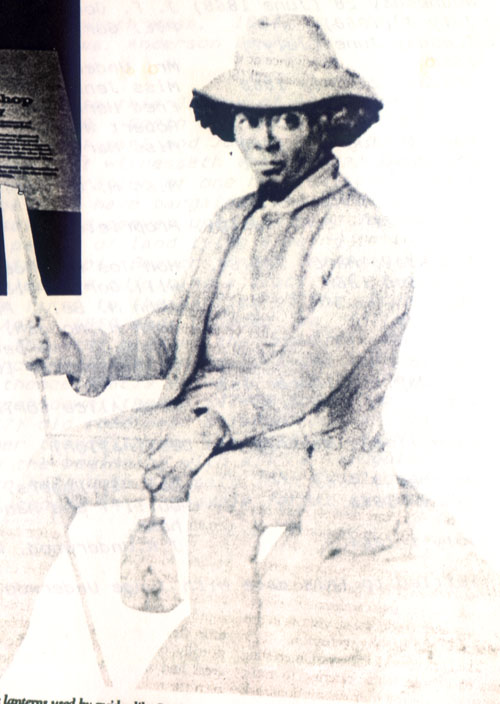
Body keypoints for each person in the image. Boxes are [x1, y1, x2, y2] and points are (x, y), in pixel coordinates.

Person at [1, 15, 413, 694]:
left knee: (222, 489)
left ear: (327, 121)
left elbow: (304, 369)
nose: (264, 139)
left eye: (287, 119)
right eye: (250, 119)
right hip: (199, 426)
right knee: (54, 466)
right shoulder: (230, 222)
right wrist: (78, 352)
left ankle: (224, 685)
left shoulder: (366, 236)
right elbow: (175, 333)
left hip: (317, 456)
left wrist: (212, 428)